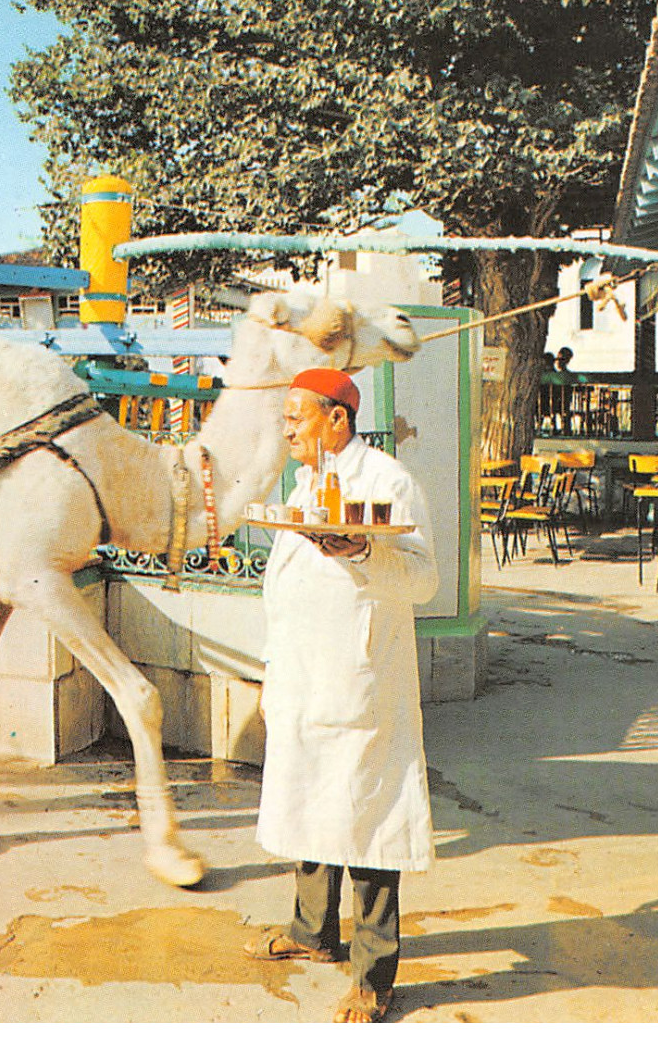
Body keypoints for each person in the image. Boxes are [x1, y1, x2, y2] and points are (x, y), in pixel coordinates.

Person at [243, 368, 439, 1025]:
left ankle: (373, 975)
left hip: (361, 681)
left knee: (367, 823)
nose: (287, 427)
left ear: (336, 418)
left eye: (296, 416)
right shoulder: (303, 485)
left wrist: (358, 550)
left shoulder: (386, 480)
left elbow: (421, 579)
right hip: (302, 679)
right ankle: (310, 929)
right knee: (307, 800)